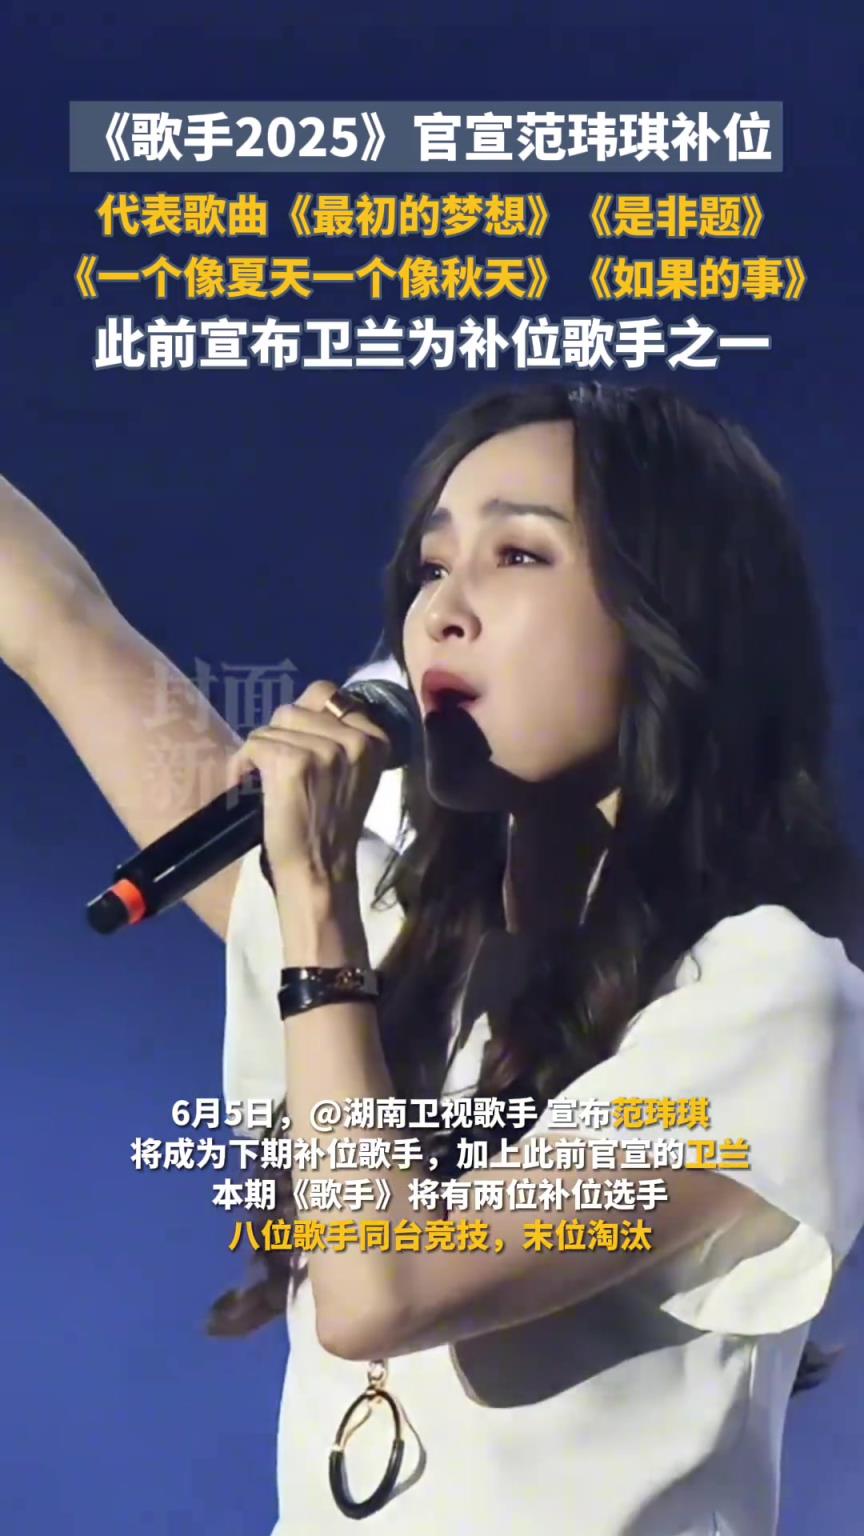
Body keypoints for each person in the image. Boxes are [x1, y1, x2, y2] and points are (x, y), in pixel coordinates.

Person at [2, 379, 862, 1536]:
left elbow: (383, 1289)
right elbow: (59, 624)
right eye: (430, 566)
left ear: (675, 618)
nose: (442, 612)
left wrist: (316, 905)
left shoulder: (771, 999)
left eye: (519, 556)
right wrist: (320, 894)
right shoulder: (412, 933)